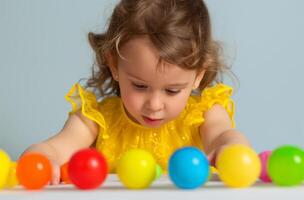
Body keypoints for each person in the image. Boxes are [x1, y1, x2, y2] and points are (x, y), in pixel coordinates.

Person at [23, 0, 250, 184]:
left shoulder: (205, 116)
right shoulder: (95, 122)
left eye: (172, 90)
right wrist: (44, 158)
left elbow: (222, 135)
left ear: (198, 76)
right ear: (114, 65)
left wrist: (230, 148)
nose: (154, 104)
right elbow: (54, 147)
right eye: (140, 86)